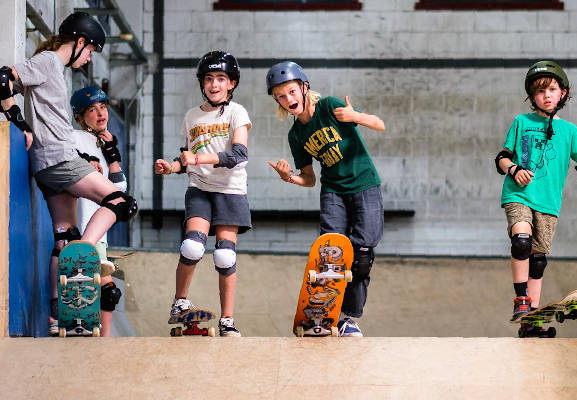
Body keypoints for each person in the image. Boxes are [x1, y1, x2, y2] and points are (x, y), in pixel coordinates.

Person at [0, 12, 137, 336]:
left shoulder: (51, 68)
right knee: (121, 201)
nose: (89, 57)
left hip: (44, 166)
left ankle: (56, 313)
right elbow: (4, 75)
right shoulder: (48, 61)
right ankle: (85, 254)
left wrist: (20, 121)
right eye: (89, 51)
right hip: (60, 159)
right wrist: (19, 121)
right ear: (79, 42)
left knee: (64, 235)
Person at [266, 61, 385, 337]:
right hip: (333, 190)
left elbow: (379, 124)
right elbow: (309, 179)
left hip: (365, 184)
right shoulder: (296, 134)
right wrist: (289, 178)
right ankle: (323, 313)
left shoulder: (330, 106)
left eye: (292, 92)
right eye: (281, 97)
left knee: (363, 255)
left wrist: (356, 116)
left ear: (305, 88)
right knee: (329, 252)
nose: (289, 100)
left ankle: (348, 317)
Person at [495, 61, 577, 329]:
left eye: (552, 89)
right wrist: (514, 168)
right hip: (518, 195)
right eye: (540, 91)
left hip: (549, 202)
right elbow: (501, 158)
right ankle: (521, 299)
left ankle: (532, 318)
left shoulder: (570, 131)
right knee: (521, 241)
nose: (547, 95)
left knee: (538, 260)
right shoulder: (521, 122)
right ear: (532, 96)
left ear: (562, 93)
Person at [154, 51, 251, 337]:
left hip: (230, 191)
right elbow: (186, 156)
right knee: (192, 247)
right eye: (209, 79)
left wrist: (195, 160)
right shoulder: (191, 116)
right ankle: (179, 301)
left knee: (224, 257)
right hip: (199, 190)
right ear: (202, 83)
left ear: (231, 83)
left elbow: (238, 154)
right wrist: (171, 166)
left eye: (221, 79)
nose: (214, 84)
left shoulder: (237, 112)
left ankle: (227, 320)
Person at [70, 85, 128, 336]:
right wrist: (84, 161)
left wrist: (112, 156)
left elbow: (119, 190)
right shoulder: (75, 137)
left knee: (109, 292)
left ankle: (104, 342)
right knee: (83, 288)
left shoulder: (103, 142)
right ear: (80, 118)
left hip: (99, 233)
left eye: (103, 107)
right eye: (92, 110)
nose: (100, 113)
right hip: (80, 227)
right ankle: (76, 327)